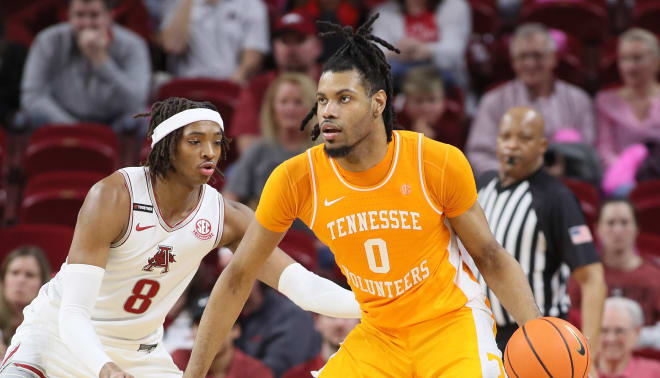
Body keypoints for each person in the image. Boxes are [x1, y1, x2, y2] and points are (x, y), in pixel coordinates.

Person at [184, 15, 543, 378]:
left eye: (344, 98)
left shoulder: (435, 161)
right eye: (322, 100)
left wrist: (537, 333)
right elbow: (237, 276)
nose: (328, 111)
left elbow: (491, 257)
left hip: (450, 323)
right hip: (378, 332)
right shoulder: (296, 178)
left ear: (378, 103)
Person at [0, 97, 360, 378]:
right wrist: (103, 368)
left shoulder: (227, 218)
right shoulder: (114, 196)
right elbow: (74, 312)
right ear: (166, 146)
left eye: (216, 142)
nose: (210, 152)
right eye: (196, 141)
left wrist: (381, 303)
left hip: (139, 352)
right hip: (59, 337)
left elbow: (304, 288)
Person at [476, 106, 606, 352]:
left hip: (539, 341)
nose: (512, 145)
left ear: (542, 146)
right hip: (481, 333)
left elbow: (592, 279)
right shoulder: (481, 186)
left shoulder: (556, 199)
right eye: (506, 137)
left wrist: (587, 351)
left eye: (523, 138)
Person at [466, 23, 595, 175]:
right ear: (513, 62)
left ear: (553, 58)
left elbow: (589, 152)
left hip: (568, 183)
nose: (530, 63)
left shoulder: (578, 99)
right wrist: (515, 173)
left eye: (537, 55)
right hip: (510, 184)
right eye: (522, 57)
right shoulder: (493, 101)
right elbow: (478, 154)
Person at [18, 0, 150, 133]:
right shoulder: (47, 41)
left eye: (94, 15)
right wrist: (73, 128)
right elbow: (32, 96)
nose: (87, 23)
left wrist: (101, 61)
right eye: (80, 15)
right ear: (69, 15)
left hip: (114, 125)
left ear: (110, 16)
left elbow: (136, 102)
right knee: (27, 117)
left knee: (139, 121)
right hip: (59, 122)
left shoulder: (133, 45)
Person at [567, 199, 660, 349]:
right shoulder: (582, 276)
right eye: (610, 223)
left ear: (637, 228)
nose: (617, 230)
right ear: (598, 229)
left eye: (624, 223)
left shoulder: (655, 276)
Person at [230, 11, 323, 154]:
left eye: (300, 40)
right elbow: (247, 145)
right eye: (284, 41)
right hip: (270, 169)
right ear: (274, 47)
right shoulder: (257, 87)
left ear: (318, 46)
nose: (291, 48)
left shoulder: (334, 83)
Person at [224, 72, 317, 208]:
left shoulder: (325, 151)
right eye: (284, 102)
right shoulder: (258, 150)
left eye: (298, 102)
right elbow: (229, 202)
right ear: (273, 108)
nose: (290, 108)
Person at [370, 0, 471, 91]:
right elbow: (374, 52)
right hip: (399, 72)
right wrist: (395, 51)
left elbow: (455, 51)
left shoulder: (454, 6)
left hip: (439, 70)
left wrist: (427, 50)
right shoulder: (383, 10)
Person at [159, 0, 269, 84]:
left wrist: (231, 83)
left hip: (229, 85)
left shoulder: (251, 5)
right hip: (187, 84)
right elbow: (172, 45)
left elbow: (252, 58)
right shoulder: (177, 2)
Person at [596, 28, 660, 170]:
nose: (630, 67)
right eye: (624, 59)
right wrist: (627, 171)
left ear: (656, 62)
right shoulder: (605, 101)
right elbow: (604, 150)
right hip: (622, 179)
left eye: (637, 58)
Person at [171, 293, 273, 378]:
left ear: (236, 330)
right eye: (200, 324)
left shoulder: (256, 372)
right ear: (192, 331)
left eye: (216, 323)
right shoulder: (177, 361)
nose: (207, 332)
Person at [234, 282, 321, 377]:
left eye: (233, 274)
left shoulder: (290, 315)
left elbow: (276, 370)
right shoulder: (233, 316)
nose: (224, 284)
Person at [0, 246, 51, 357]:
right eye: (14, 272)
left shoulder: (50, 323)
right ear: (3, 279)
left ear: (43, 283)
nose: (21, 280)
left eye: (29, 275)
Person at [598, 297, 660, 378]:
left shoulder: (655, 373)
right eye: (604, 330)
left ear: (637, 332)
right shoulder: (580, 371)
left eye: (619, 331)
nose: (611, 338)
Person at [282, 314, 359, 378]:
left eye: (347, 315)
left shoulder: (368, 372)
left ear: (360, 322)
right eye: (331, 315)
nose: (339, 323)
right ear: (317, 321)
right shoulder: (297, 375)